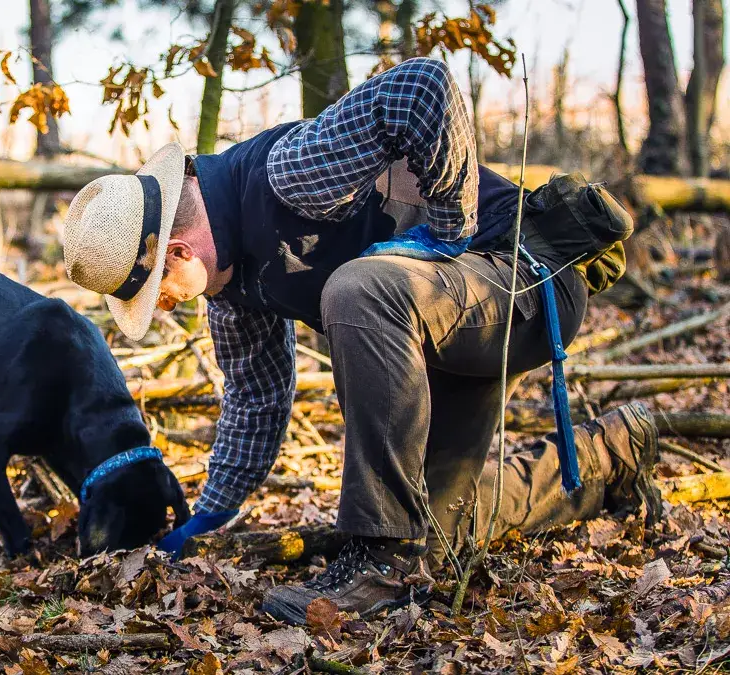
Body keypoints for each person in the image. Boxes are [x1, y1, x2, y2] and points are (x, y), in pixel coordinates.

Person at [58, 57, 662, 623]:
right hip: (437, 324)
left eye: (157, 294)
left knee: (357, 289)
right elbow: (255, 397)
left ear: (179, 252)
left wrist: (448, 234)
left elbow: (422, 87)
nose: (165, 308)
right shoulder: (231, 288)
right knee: (440, 531)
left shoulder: (288, 174)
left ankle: (380, 558)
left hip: (520, 281)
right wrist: (211, 513)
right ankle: (612, 452)